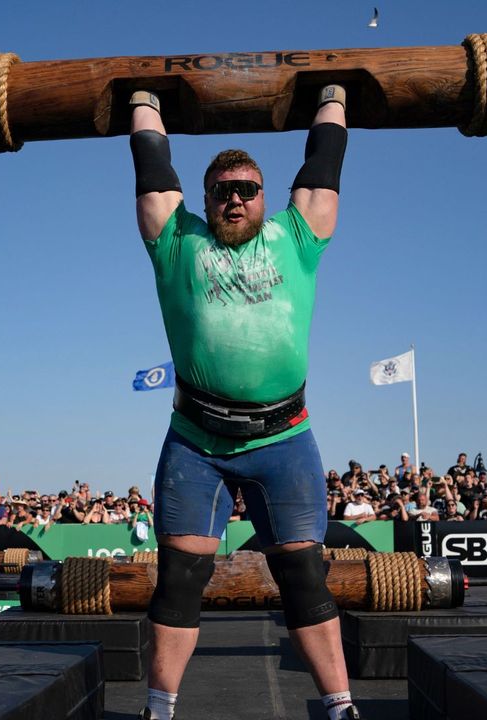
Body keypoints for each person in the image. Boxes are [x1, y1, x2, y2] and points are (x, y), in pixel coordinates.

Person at [128, 82, 355, 720]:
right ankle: (158, 710)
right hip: (197, 444)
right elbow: (152, 170)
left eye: (247, 189)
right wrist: (142, 98)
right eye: (222, 190)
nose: (234, 199)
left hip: (284, 441)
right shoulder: (178, 244)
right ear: (205, 200)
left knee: (305, 578)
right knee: (179, 582)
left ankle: (340, 707)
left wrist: (335, 93)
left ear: (265, 196)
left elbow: (324, 166)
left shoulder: (297, 237)